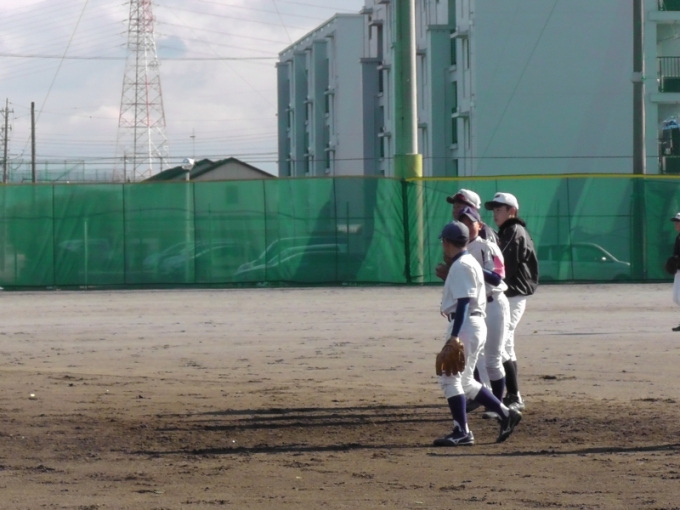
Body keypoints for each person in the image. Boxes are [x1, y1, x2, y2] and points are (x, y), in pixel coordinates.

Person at [433, 221, 522, 446]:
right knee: (465, 381)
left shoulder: (461, 265)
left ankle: (461, 431)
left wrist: (454, 336)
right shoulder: (469, 261)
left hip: (465, 324)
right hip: (474, 323)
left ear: (446, 242)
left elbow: (464, 302)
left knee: (449, 378)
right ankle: (505, 414)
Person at [484, 192, 538, 412]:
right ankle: (512, 395)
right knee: (506, 345)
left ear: (512, 211)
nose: (495, 213)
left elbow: (501, 266)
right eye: (494, 210)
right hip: (511, 295)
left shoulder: (514, 230)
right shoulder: (507, 231)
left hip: (513, 296)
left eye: (499, 209)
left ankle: (513, 395)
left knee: (501, 344)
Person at [457, 206, 510, 418]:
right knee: (476, 358)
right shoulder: (458, 251)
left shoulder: (487, 247)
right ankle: (485, 399)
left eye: (470, 222)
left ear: (479, 225)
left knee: (493, 359)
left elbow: (497, 277)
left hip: (494, 303)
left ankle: (498, 406)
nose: (467, 226)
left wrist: (473, 267)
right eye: (463, 222)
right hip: (474, 307)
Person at [671, 213, 680, 331]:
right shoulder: (678, 237)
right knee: (676, 298)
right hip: (678, 271)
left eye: (677, 222)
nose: (676, 224)